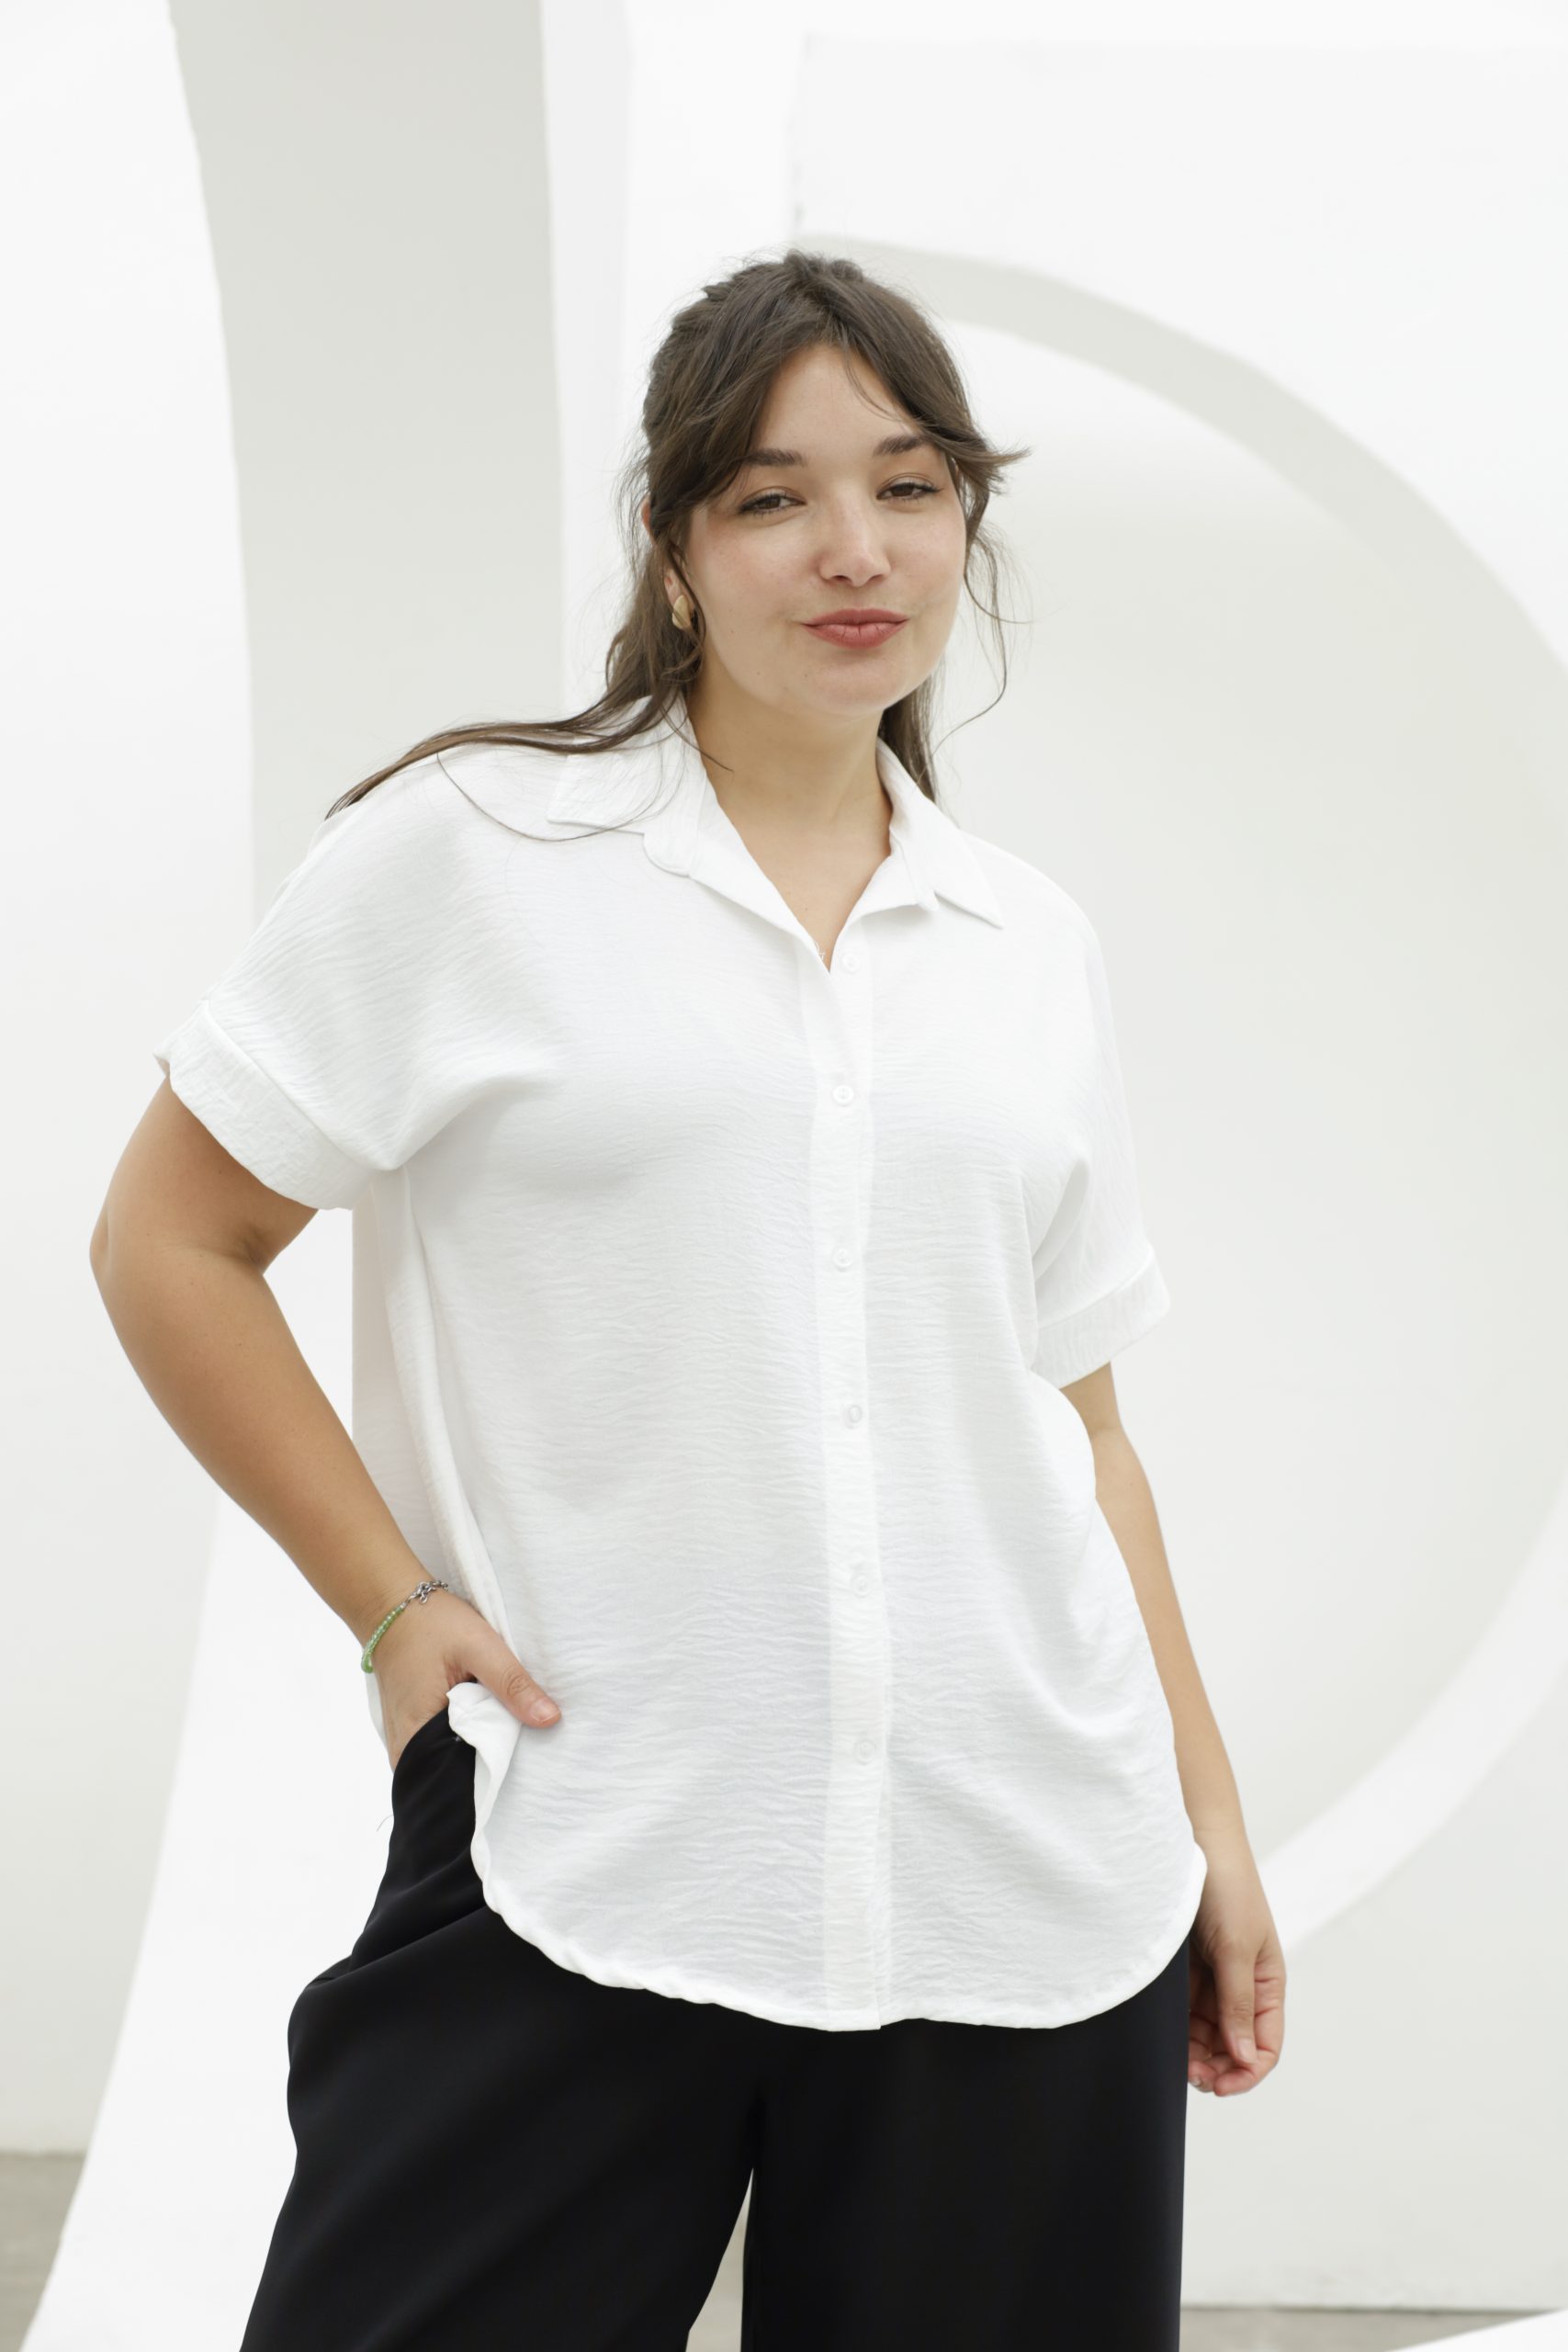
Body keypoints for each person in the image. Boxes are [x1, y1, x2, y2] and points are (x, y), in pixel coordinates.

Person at [91, 248, 1285, 2350]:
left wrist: (1207, 1825)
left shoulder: (1021, 944)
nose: (852, 549)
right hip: (590, 1832)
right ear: (672, 548)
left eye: (905, 486)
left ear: (964, 521)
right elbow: (168, 1239)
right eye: (770, 496)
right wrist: (391, 1602)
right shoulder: (471, 852)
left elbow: (1079, 1423)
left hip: (1021, 1868)